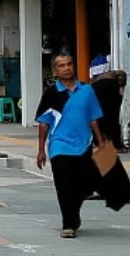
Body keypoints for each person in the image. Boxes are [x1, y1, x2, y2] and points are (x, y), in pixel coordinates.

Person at [35, 52, 105, 239]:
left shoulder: (87, 91)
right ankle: (68, 223)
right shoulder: (51, 94)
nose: (66, 68)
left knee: (83, 184)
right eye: (61, 66)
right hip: (59, 145)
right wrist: (41, 149)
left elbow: (94, 118)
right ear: (54, 71)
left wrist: (101, 143)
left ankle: (73, 216)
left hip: (84, 144)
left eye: (69, 64)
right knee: (64, 185)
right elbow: (44, 123)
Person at [92, 70, 128, 152]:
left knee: (98, 119)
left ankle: (100, 142)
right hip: (107, 91)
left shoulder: (102, 76)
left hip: (95, 92)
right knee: (113, 119)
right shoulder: (116, 78)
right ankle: (117, 146)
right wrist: (119, 100)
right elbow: (121, 88)